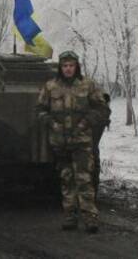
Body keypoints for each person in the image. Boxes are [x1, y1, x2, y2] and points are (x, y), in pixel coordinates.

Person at [35, 50, 111, 233]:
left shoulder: (87, 85)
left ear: (76, 67)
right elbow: (40, 109)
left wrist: (86, 122)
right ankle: (70, 216)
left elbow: (102, 109)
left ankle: (90, 218)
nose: (68, 69)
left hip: (81, 140)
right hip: (60, 141)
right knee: (66, 180)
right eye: (65, 66)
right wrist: (52, 123)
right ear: (60, 68)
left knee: (84, 179)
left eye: (71, 66)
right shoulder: (51, 87)